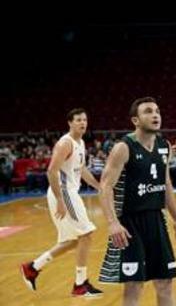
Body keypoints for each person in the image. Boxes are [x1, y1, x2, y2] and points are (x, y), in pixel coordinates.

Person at [98, 98, 176, 305]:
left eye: (157, 111)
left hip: (157, 220)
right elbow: (105, 186)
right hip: (130, 223)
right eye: (148, 111)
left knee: (165, 282)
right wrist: (112, 223)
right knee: (134, 285)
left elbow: (166, 183)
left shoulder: (164, 146)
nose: (155, 115)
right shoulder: (123, 147)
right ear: (135, 120)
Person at [20, 108, 104, 297]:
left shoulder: (80, 142)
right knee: (86, 234)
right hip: (64, 192)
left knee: (72, 241)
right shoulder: (65, 143)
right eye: (78, 120)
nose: (83, 123)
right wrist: (60, 199)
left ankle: (32, 267)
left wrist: (98, 186)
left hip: (69, 192)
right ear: (70, 123)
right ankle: (80, 284)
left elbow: (82, 169)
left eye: (85, 120)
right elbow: (51, 171)